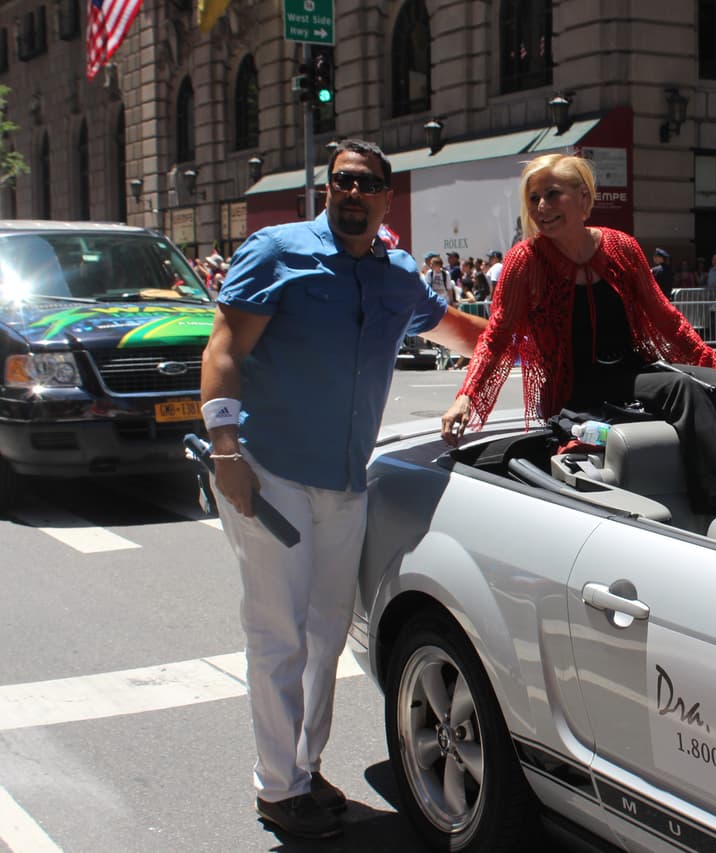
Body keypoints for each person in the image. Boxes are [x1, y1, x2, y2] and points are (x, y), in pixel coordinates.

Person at [200, 139, 486, 841]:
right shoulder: (278, 252)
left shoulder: (397, 275)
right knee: (278, 634)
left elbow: (463, 333)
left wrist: (536, 347)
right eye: (342, 182)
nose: (352, 194)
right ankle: (278, 787)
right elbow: (223, 349)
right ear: (328, 190)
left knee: (326, 634)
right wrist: (226, 449)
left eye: (367, 184)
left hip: (345, 482)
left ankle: (302, 768)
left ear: (388, 197)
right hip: (269, 473)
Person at [439, 153, 716, 513]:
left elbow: (666, 318)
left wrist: (715, 363)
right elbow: (496, 336)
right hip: (575, 388)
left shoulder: (621, 247)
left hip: (631, 372)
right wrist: (467, 395)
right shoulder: (524, 261)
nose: (541, 207)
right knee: (681, 389)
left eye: (552, 194)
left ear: (583, 198)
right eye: (534, 198)